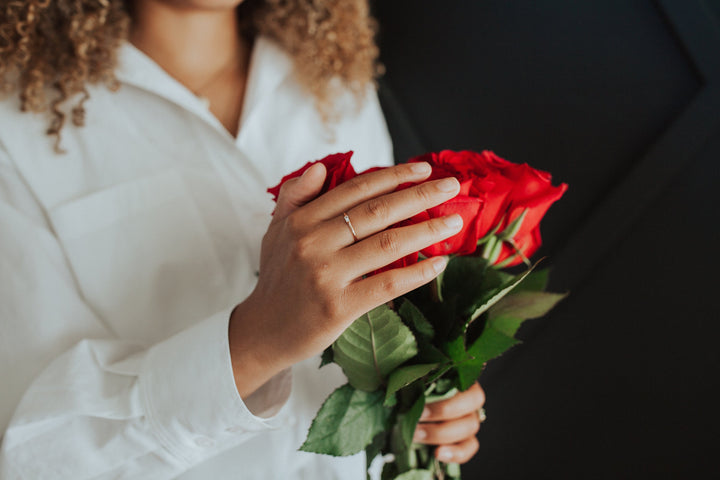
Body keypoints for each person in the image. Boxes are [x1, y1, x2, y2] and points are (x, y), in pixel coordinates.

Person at [0, 0, 486, 478]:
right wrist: (257, 340)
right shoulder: (17, 128)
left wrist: (417, 399)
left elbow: (375, 316)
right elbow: (33, 453)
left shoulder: (333, 81)